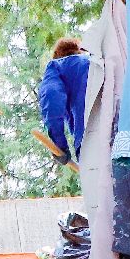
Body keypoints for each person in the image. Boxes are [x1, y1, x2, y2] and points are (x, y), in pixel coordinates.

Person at [38, 36, 90, 165]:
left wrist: (60, 146)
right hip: (127, 134)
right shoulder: (100, 60)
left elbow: (52, 98)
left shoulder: (57, 67)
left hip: (91, 138)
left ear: (57, 55)